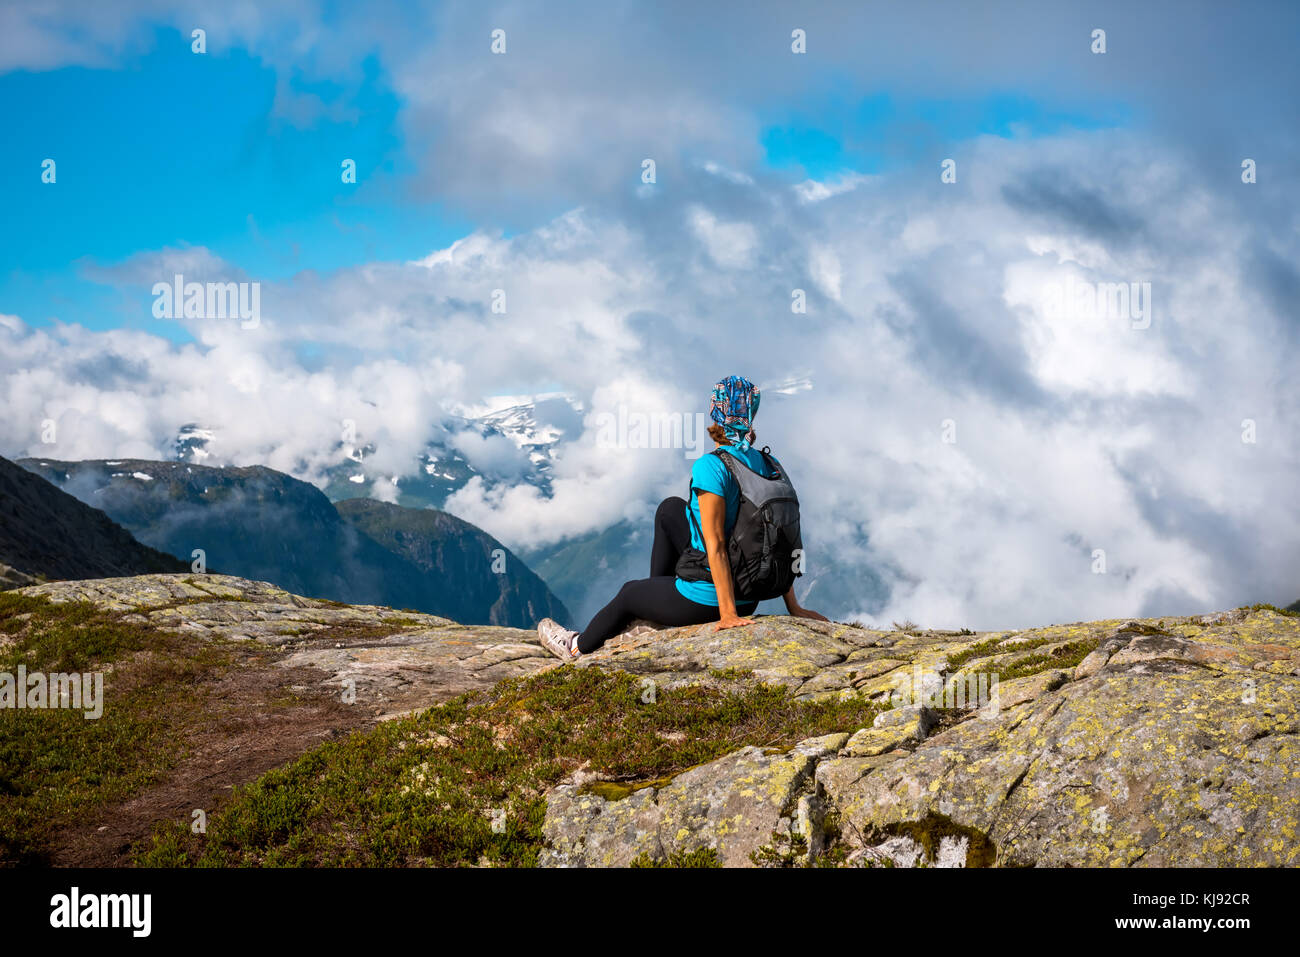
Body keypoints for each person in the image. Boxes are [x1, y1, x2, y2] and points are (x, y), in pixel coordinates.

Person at [538, 375, 827, 661]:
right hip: (751, 594)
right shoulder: (770, 465)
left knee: (629, 593)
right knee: (670, 510)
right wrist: (795, 608)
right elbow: (777, 538)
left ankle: (576, 646)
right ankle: (657, 611)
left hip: (711, 600)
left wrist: (727, 614)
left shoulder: (712, 467)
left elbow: (715, 544)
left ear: (715, 413)